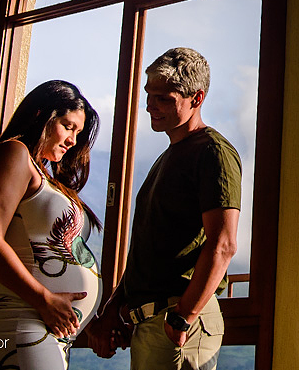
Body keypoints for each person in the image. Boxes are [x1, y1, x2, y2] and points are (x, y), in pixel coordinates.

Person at [87, 47, 241, 370]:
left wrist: (184, 317)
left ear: (196, 98)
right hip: (154, 324)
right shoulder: (167, 158)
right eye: (149, 95)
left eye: (163, 98)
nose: (150, 106)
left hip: (179, 324)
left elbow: (223, 245)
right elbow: (149, 252)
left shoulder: (213, 153)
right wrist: (114, 309)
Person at [0, 80, 103, 370]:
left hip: (43, 329)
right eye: (68, 126)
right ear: (41, 116)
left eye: (78, 132)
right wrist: (44, 299)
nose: (73, 140)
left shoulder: (43, 174)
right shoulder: (14, 153)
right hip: (20, 322)